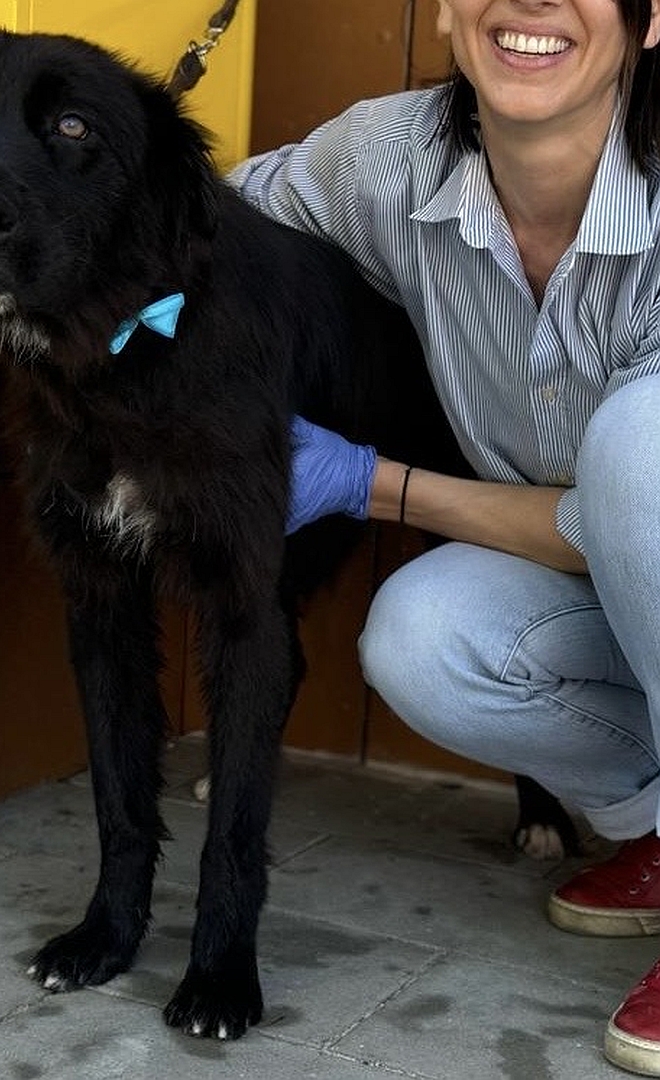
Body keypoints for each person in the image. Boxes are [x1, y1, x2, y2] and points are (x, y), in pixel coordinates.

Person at [230, 0, 660, 1073]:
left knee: (642, 444)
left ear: (652, 20)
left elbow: (630, 498)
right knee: (427, 634)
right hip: (619, 588)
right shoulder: (392, 156)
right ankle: (657, 834)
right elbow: (199, 215)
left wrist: (374, 485)